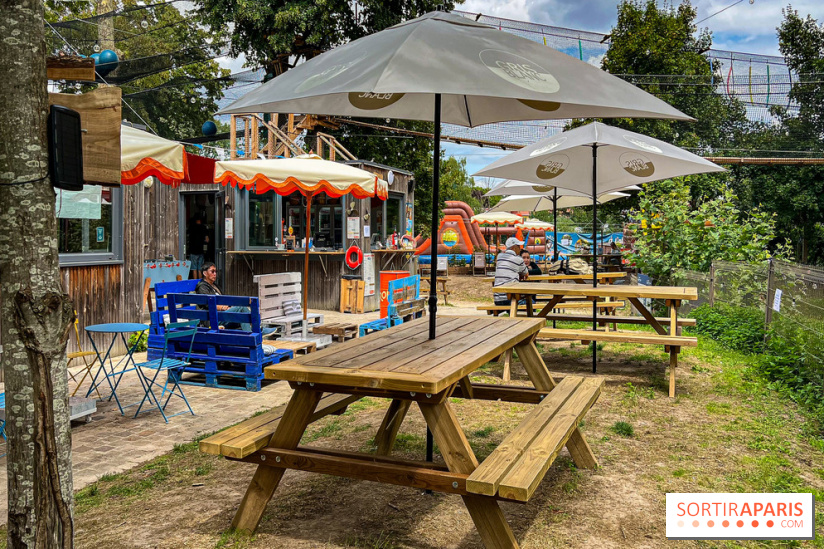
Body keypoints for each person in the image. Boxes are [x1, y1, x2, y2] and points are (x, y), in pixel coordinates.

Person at [196, 262, 276, 334]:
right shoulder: (202, 287)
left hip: (221, 315)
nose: (215, 274)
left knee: (243, 314)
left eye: (215, 271)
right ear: (205, 273)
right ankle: (254, 334)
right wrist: (223, 307)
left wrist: (229, 306)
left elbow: (223, 299)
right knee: (241, 308)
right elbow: (207, 304)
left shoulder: (215, 286)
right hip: (213, 318)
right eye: (212, 271)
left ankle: (255, 332)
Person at [493, 237, 528, 306]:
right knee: (530, 302)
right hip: (510, 299)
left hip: (497, 299)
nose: (520, 249)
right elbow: (526, 274)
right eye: (518, 246)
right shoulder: (518, 259)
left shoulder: (499, 257)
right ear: (514, 248)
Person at [188, 215, 209, 279]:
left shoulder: (191, 227)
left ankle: (195, 283)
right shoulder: (203, 228)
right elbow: (207, 240)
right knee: (200, 268)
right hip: (200, 250)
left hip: (193, 250)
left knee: (194, 268)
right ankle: (200, 282)